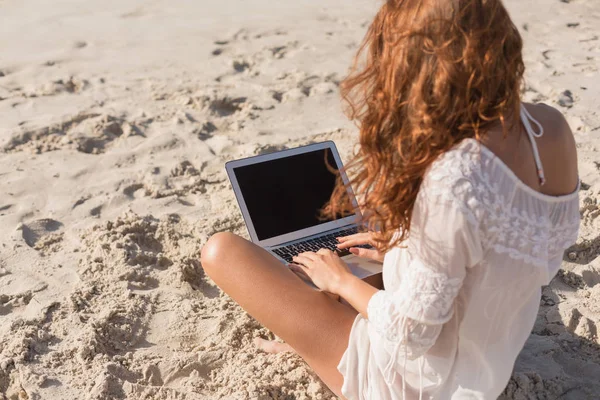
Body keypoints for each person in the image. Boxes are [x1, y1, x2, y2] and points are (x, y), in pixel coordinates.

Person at [200, 0, 581, 398]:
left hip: (419, 383)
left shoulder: (455, 178)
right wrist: (408, 249)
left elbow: (412, 334)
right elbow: (532, 251)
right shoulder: (550, 128)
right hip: (489, 365)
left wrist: (342, 282)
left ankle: (312, 341)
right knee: (366, 247)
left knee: (221, 250)